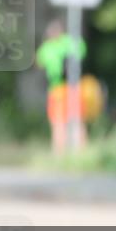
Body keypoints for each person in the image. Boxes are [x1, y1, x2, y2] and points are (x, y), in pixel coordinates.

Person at [36, 19, 87, 153]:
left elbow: (40, 63)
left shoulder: (47, 47)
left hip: (58, 88)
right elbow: (82, 53)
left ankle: (59, 152)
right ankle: (81, 151)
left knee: (59, 122)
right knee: (76, 119)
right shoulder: (71, 41)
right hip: (73, 87)